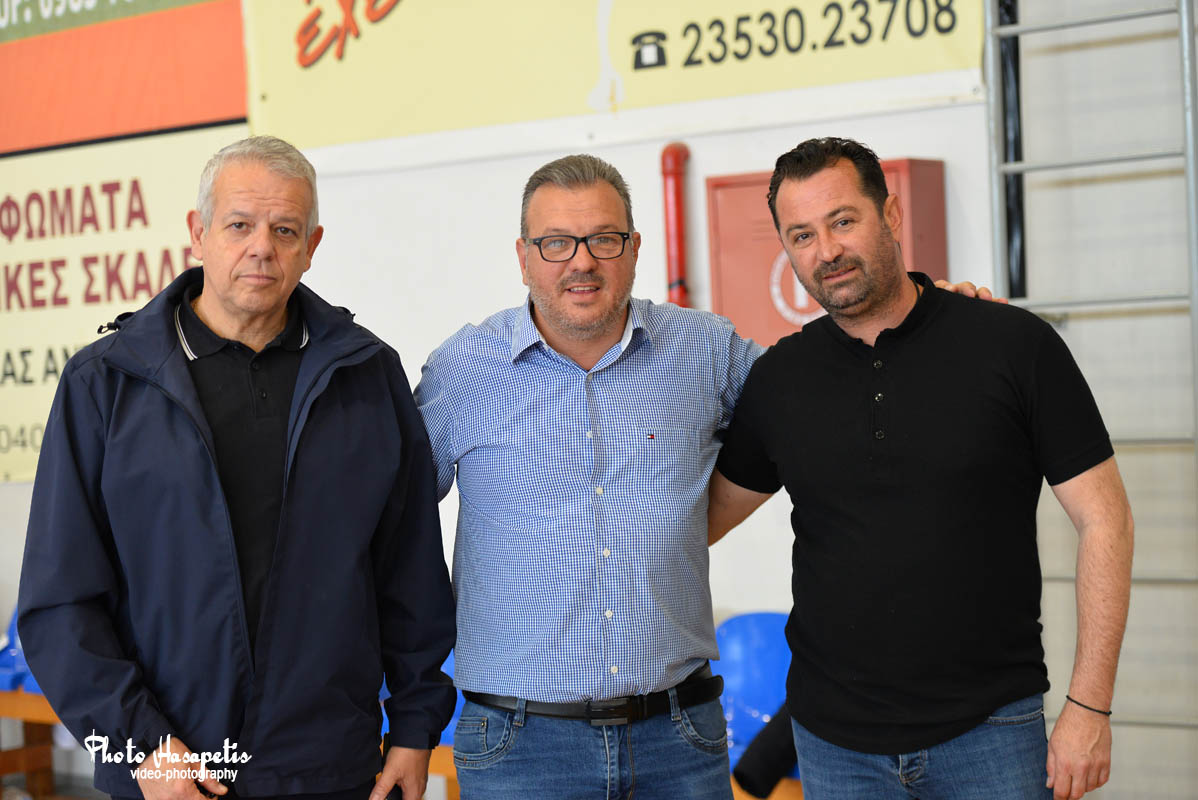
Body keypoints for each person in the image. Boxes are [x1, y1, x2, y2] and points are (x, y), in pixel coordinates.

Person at [415, 153, 994, 799]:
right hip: (521, 749)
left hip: (677, 741)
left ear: (635, 249)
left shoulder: (705, 351)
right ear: (524, 257)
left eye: (604, 239)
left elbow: (829, 393)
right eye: (556, 243)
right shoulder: (462, 371)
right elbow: (392, 531)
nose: (582, 262)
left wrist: (927, 328)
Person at [18, 136, 456, 800]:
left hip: (329, 771)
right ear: (198, 234)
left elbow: (410, 571)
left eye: (285, 230)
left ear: (311, 246)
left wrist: (416, 727)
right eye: (239, 225)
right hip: (168, 774)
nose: (262, 248)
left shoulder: (367, 377)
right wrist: (141, 748)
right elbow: (59, 604)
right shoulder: (105, 383)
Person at [708, 137, 1135, 800]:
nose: (826, 250)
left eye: (843, 221)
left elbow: (1106, 520)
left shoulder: (1012, 345)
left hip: (990, 733)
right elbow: (699, 521)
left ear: (891, 214)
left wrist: (1089, 705)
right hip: (834, 747)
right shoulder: (779, 379)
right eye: (802, 235)